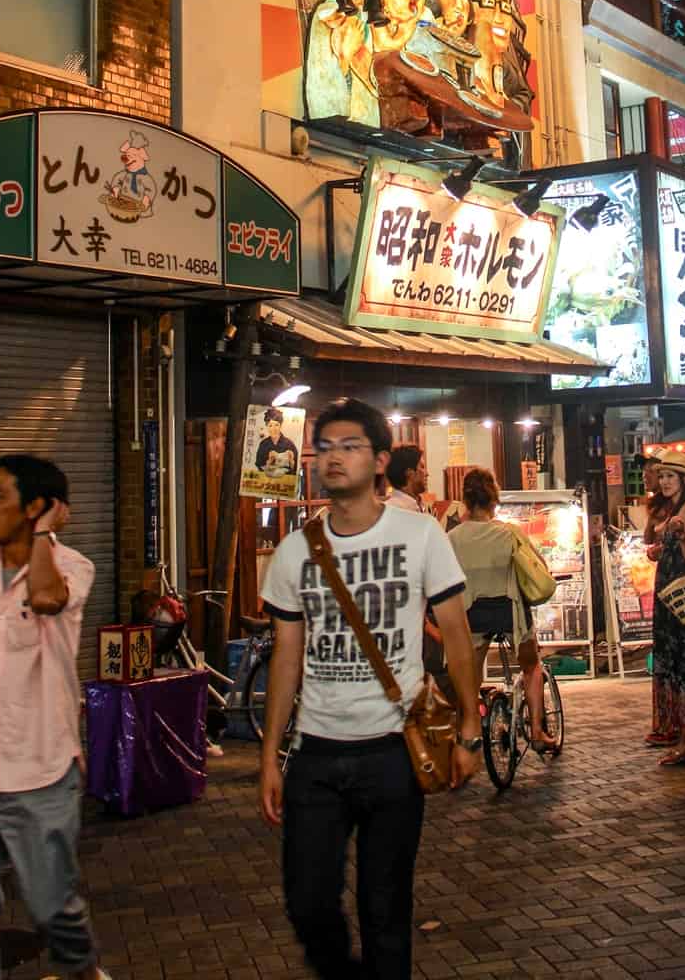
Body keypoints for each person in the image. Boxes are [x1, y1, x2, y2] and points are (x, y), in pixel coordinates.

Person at [258, 400, 482, 980]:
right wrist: (269, 758)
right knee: (308, 903)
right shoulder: (293, 551)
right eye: (324, 446)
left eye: (349, 446)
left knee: (386, 911)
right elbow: (286, 658)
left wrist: (469, 732)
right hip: (317, 754)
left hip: (393, 753)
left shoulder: (419, 533)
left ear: (381, 460)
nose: (332, 457)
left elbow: (456, 637)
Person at [0, 455, 108, 980]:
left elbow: (45, 597)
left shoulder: (73, 567)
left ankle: (81, 970)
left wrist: (43, 536)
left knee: (53, 908)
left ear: (35, 508)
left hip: (41, 773)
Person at [447, 466, 558, 749]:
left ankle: (467, 736)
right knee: (532, 666)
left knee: (469, 679)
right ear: (494, 499)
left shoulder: (453, 538)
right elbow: (538, 569)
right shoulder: (509, 534)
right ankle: (536, 731)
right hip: (510, 615)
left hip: (471, 618)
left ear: (466, 500)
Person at [644, 449, 685, 765]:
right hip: (668, 597)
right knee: (674, 665)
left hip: (683, 600)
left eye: (671, 476)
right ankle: (682, 735)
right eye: (662, 476)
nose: (665, 481)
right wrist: (659, 550)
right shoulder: (671, 509)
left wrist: (682, 537)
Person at [255, 406, 299, 477]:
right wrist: (268, 462)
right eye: (270, 425)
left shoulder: (289, 444)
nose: (273, 429)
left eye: (276, 425)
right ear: (267, 426)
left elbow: (295, 467)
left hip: (284, 483)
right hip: (266, 482)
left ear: (280, 425)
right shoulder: (263, 444)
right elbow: (259, 465)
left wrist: (290, 462)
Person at [386, 444, 428, 512]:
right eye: (422, 467)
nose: (427, 474)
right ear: (409, 473)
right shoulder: (394, 509)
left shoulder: (419, 505)